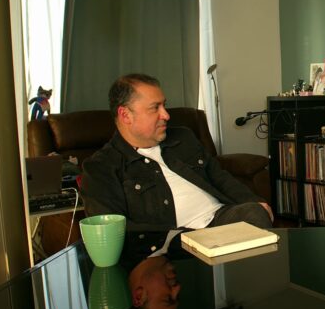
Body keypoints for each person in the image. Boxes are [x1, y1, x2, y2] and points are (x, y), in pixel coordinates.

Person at [81, 73, 273, 234]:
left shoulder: (182, 138)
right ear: (125, 115)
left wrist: (254, 201)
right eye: (155, 108)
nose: (166, 115)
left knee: (254, 212)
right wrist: (181, 238)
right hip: (173, 239)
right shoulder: (101, 167)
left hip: (219, 218)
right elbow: (117, 230)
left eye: (164, 105)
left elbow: (220, 177)